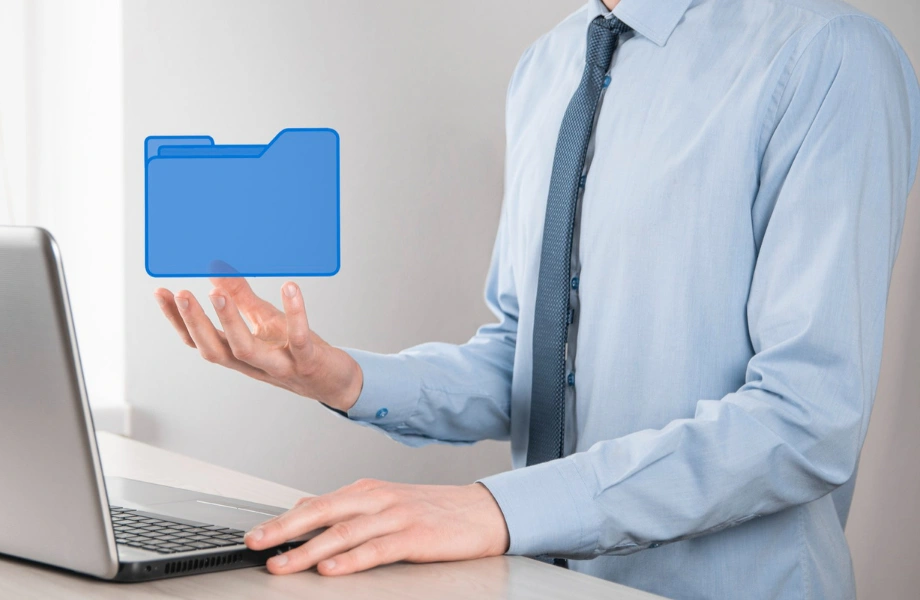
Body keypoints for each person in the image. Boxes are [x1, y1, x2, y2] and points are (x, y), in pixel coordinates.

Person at [153, 0, 920, 597]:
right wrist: (335, 376)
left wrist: (497, 508)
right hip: (533, 583)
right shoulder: (547, 68)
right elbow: (527, 357)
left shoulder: (829, 56)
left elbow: (807, 418)